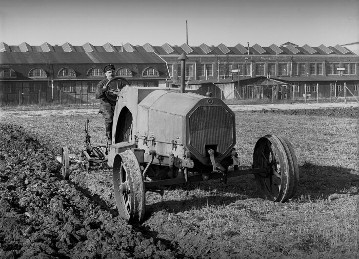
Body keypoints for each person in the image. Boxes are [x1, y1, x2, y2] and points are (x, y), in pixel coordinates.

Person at [95, 64, 117, 141]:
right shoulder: (101, 83)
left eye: (113, 72)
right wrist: (103, 90)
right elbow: (97, 95)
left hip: (117, 103)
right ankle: (109, 135)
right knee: (109, 117)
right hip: (105, 103)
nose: (112, 73)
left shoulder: (119, 82)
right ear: (105, 74)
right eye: (109, 72)